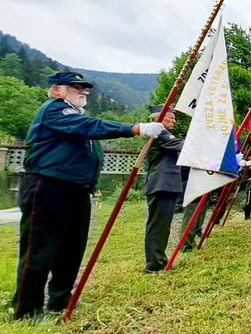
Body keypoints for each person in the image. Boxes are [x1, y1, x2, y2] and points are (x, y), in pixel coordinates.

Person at [12, 72, 164, 320]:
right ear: (57, 90)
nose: (83, 91)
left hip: (77, 189)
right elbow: (88, 127)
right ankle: (27, 308)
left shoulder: (76, 116)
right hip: (48, 185)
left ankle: (59, 300)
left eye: (84, 88)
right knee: (39, 248)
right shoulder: (56, 110)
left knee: (71, 249)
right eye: (75, 87)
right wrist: (134, 128)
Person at [143, 105, 185, 274]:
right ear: (158, 117)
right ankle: (153, 264)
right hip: (161, 184)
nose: (174, 120)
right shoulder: (159, 133)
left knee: (163, 225)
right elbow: (180, 145)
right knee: (157, 226)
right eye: (170, 117)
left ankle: (159, 259)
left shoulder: (163, 133)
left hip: (166, 184)